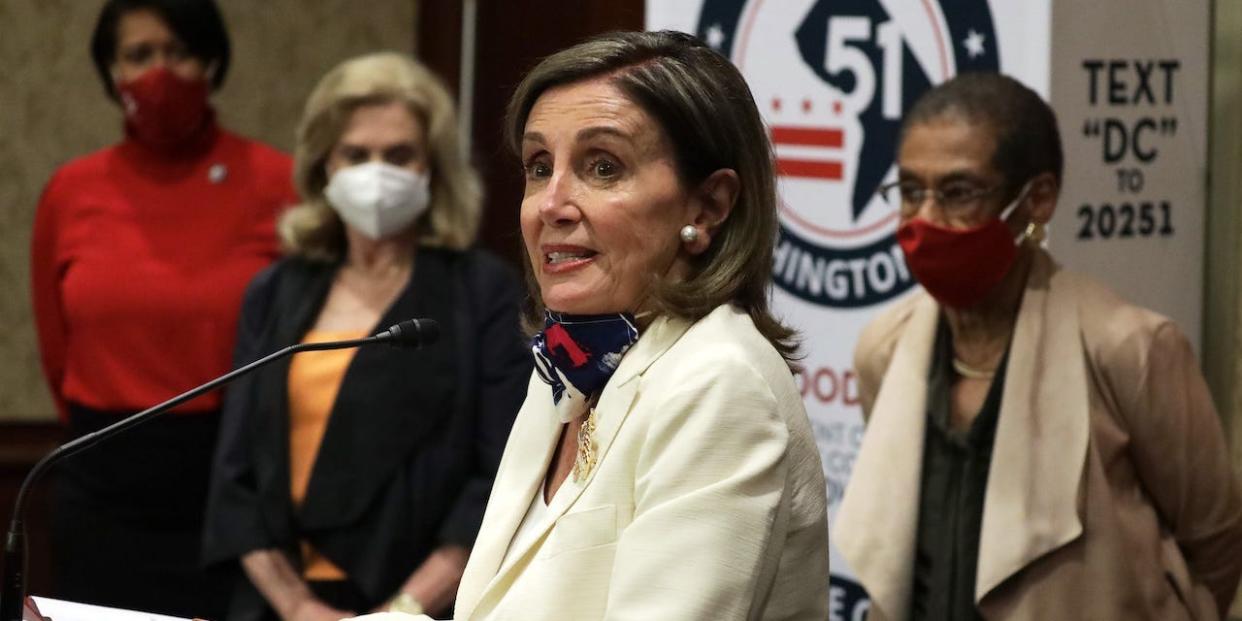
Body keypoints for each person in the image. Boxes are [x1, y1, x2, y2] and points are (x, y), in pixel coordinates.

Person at [354, 30, 831, 621]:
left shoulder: (719, 384)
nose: (551, 204)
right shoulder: (575, 365)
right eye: (538, 166)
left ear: (707, 206)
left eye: (602, 167)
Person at [833, 73, 1242, 620]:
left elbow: (1214, 543)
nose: (926, 219)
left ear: (1037, 200)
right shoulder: (886, 348)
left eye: (958, 193)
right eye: (910, 192)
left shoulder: (1128, 348)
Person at [201, 52, 532, 621]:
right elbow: (236, 479)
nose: (377, 173)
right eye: (356, 155)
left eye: (399, 155)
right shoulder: (276, 291)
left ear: (432, 168)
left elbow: (499, 476)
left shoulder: (481, 292)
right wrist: (297, 606)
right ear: (323, 166)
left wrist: (400, 612)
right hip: (275, 604)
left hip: (420, 604)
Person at [29, 0, 296, 618]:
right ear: (110, 71)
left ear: (211, 60)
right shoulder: (71, 191)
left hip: (233, 488)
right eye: (139, 55)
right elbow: (55, 348)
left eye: (178, 52)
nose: (160, 72)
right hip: (102, 488)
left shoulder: (276, 182)